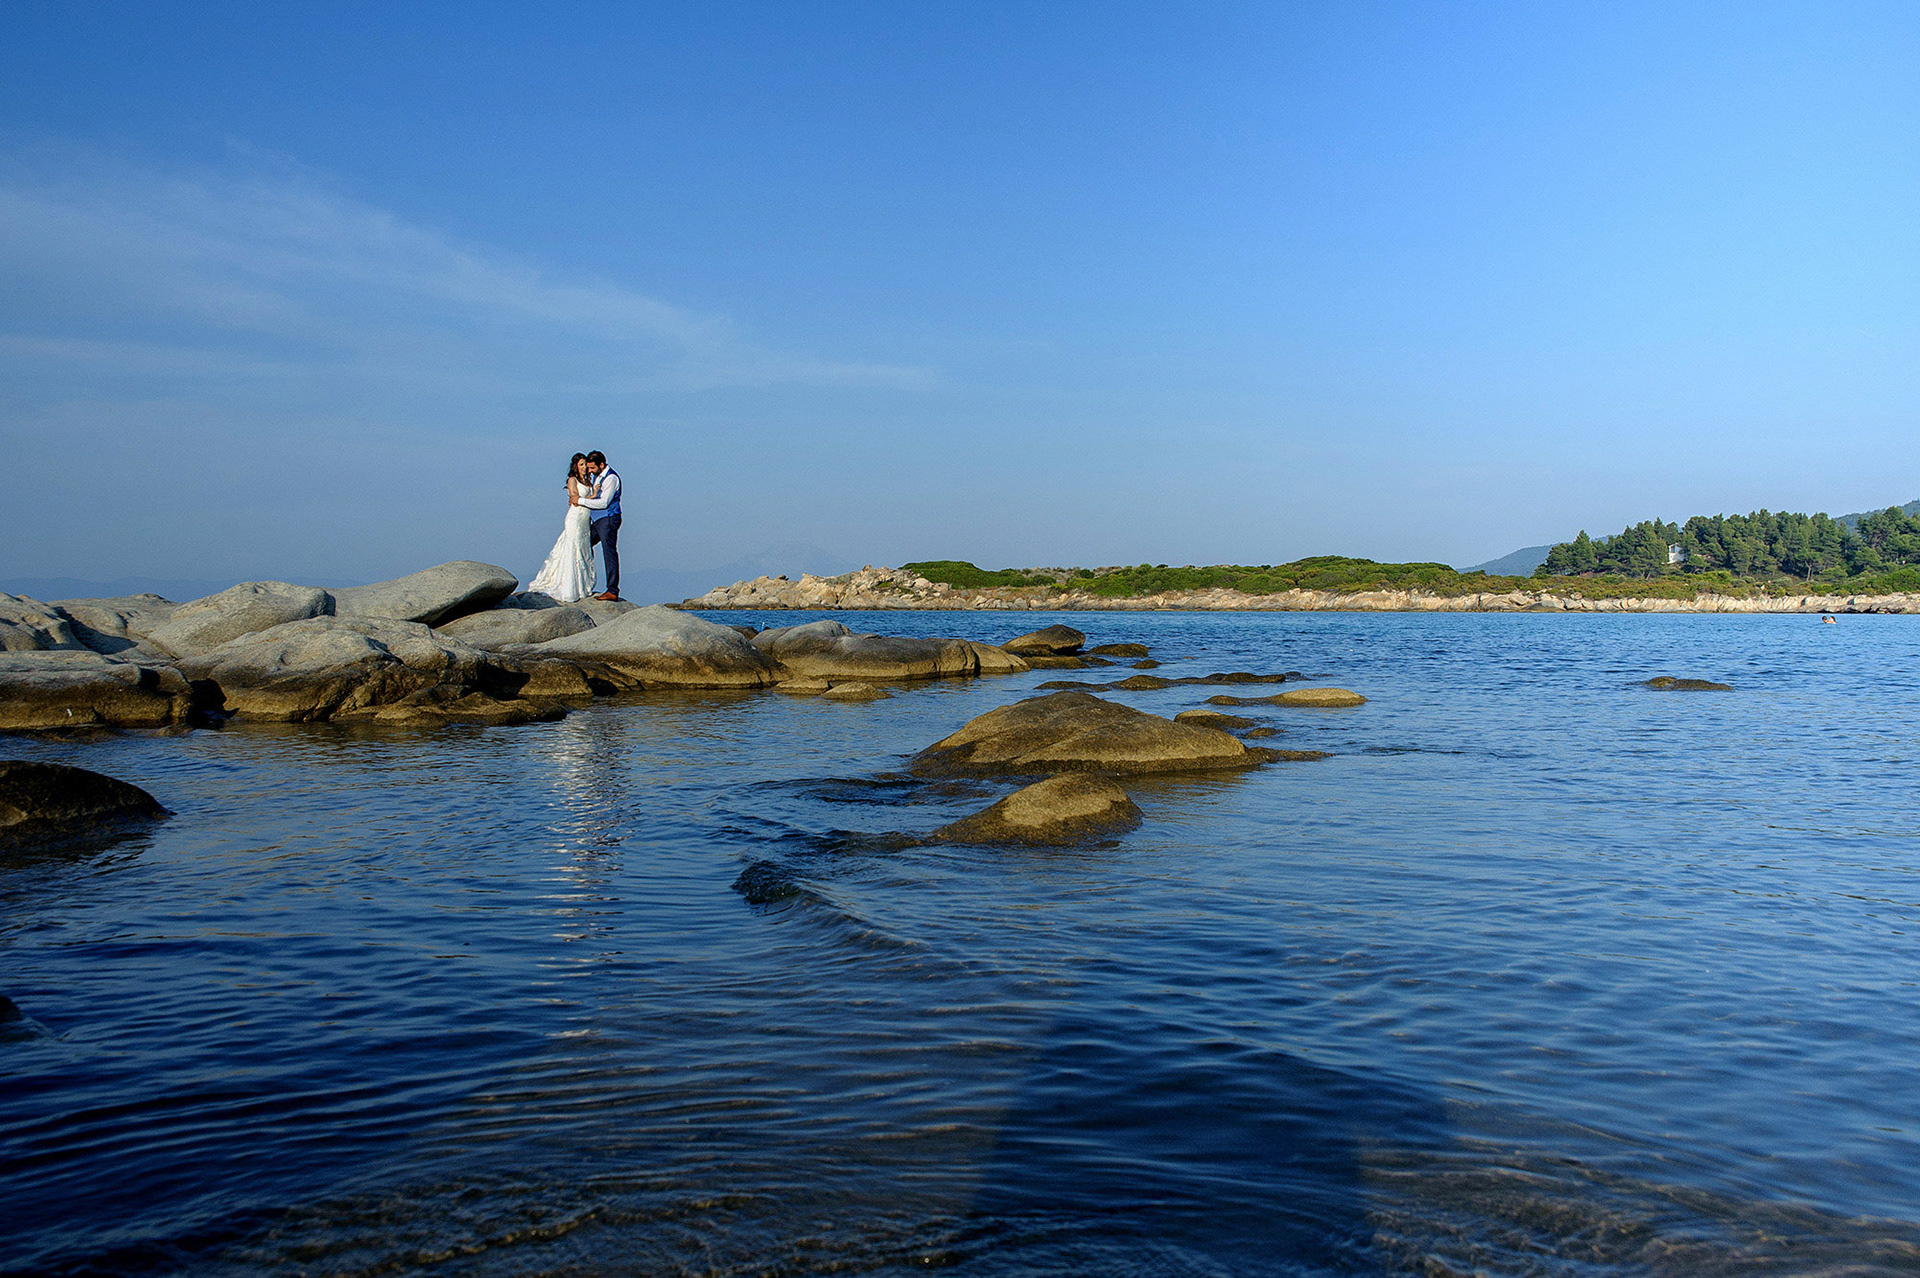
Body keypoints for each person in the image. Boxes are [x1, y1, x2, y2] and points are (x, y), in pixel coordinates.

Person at [525, 453, 597, 602]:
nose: (584, 468)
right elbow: (575, 499)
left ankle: (582, 585)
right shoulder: (573, 480)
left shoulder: (588, 481)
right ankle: (569, 587)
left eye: (585, 465)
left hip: (585, 520)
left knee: (583, 549)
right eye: (581, 465)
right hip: (575, 518)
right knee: (572, 548)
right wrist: (594, 495)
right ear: (576, 466)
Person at [577, 449, 623, 601]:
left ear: (601, 464)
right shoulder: (597, 477)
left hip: (608, 519)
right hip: (597, 521)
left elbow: (604, 502)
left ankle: (612, 590)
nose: (589, 471)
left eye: (592, 468)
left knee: (609, 552)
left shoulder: (611, 479)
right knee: (583, 544)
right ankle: (583, 581)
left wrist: (580, 501)